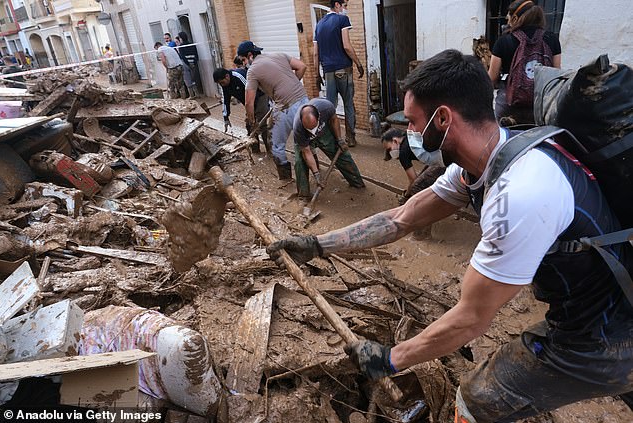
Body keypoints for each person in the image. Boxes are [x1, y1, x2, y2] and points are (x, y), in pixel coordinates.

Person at [267, 49, 633, 422]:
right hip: (602, 308)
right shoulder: (488, 160)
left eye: (412, 122)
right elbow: (402, 219)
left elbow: (472, 318)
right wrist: (317, 245)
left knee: (476, 399)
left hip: (601, 340)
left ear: (443, 118)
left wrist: (391, 358)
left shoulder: (519, 194)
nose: (408, 132)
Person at [238, 40, 309, 180]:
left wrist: (252, 120)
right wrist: (292, 86)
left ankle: (286, 178)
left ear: (250, 55)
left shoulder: (252, 71)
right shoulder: (279, 55)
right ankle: (313, 167)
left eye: (243, 60)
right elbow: (302, 66)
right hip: (304, 101)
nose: (244, 64)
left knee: (276, 145)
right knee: (305, 141)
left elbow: (249, 102)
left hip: (285, 107)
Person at [488, 0, 561, 126]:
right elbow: (556, 75)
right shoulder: (552, 39)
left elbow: (492, 78)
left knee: (505, 142)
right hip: (540, 108)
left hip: (509, 106)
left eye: (509, 15)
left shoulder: (503, 41)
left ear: (515, 18)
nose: (507, 18)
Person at [314, 1, 364, 147]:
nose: (345, 9)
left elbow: (316, 53)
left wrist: (317, 74)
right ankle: (350, 138)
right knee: (348, 104)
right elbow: (347, 46)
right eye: (345, 5)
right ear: (337, 4)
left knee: (330, 107)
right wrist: (358, 64)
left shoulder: (319, 25)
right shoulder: (342, 20)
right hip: (343, 69)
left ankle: (334, 139)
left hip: (328, 71)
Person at [293, 98, 364, 199]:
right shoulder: (298, 128)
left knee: (342, 155)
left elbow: (334, 120)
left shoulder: (326, 107)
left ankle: (357, 183)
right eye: (309, 129)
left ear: (319, 117)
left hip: (324, 132)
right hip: (304, 139)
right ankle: (304, 196)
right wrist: (316, 174)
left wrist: (339, 139)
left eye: (313, 127)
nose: (313, 131)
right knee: (300, 162)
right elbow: (307, 152)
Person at [381, 127, 445, 205]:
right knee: (423, 177)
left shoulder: (403, 153)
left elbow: (413, 180)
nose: (390, 152)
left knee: (417, 186)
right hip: (444, 153)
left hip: (445, 160)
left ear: (395, 141)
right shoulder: (409, 135)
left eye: (389, 149)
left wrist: (406, 195)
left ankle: (424, 211)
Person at [213, 67, 270, 153]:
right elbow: (225, 101)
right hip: (248, 102)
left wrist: (253, 113)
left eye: (222, 82)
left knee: (261, 124)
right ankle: (255, 150)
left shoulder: (239, 77)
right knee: (249, 125)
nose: (221, 85)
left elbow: (252, 90)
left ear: (227, 76)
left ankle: (270, 150)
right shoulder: (224, 85)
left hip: (259, 96)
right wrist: (226, 117)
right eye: (219, 84)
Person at [177, 32, 202, 98]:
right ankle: (197, 94)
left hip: (186, 64)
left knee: (188, 80)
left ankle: (192, 95)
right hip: (193, 63)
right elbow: (196, 54)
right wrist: (194, 62)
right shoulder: (192, 44)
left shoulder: (181, 46)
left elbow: (183, 57)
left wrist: (188, 63)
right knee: (194, 79)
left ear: (181, 38)